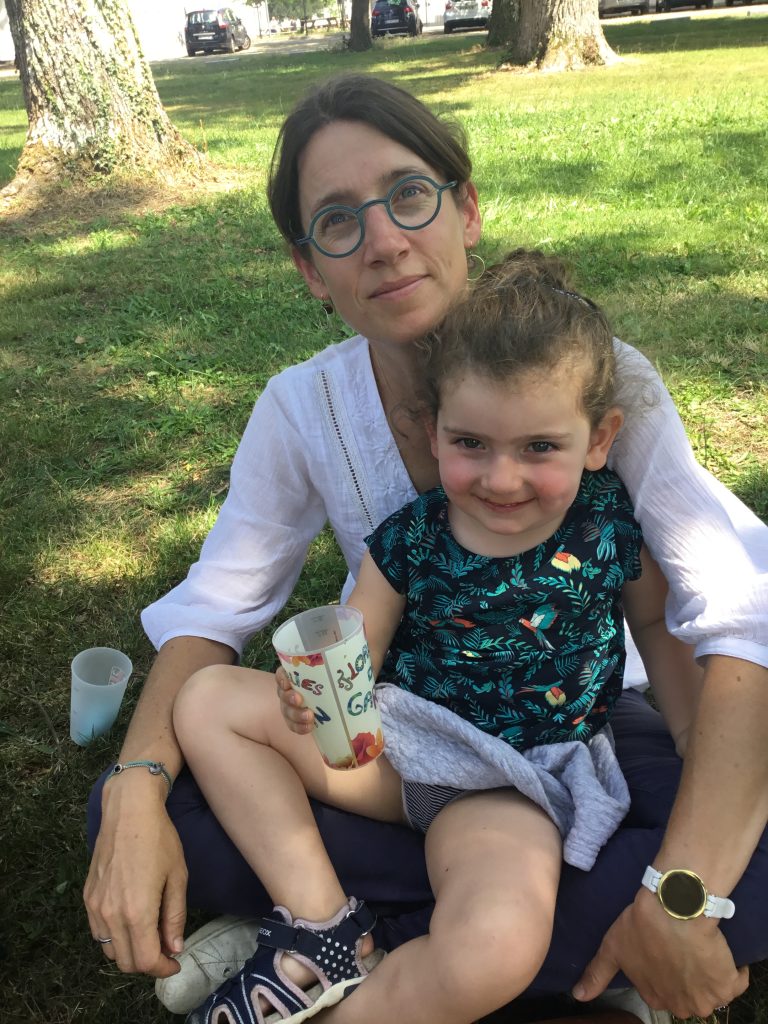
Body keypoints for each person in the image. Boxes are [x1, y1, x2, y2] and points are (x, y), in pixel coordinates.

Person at [83, 73, 768, 1023]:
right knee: (155, 804)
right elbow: (217, 611)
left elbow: (732, 615)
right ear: (310, 269)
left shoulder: (595, 381)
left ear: (466, 208)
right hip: (406, 744)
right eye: (337, 221)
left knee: (745, 840)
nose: (384, 241)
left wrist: (685, 870)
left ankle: (340, 943)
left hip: (570, 749)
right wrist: (134, 792)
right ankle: (389, 938)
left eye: (408, 194)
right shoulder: (304, 410)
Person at [170, 251, 706, 1024]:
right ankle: (322, 927)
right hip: (400, 748)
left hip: (513, 786)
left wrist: (691, 732)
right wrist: (312, 695)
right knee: (208, 699)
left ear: (599, 438)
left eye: (540, 447)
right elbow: (357, 644)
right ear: (432, 431)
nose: (502, 478)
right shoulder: (412, 535)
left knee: (495, 945)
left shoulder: (606, 525)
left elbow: (653, 622)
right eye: (471, 443)